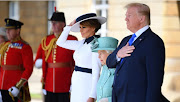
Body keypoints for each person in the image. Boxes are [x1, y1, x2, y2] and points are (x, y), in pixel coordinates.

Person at [106, 3, 169, 102]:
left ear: (141, 18)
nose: (126, 19)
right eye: (126, 16)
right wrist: (118, 54)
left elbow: (154, 81)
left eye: (129, 15)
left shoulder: (153, 41)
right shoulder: (125, 40)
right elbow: (109, 62)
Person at [56, 13, 106, 102]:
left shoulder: (96, 45)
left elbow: (96, 71)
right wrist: (68, 27)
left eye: (84, 27)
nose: (81, 31)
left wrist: (92, 95)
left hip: (87, 84)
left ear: (93, 28)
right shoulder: (80, 43)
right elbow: (60, 42)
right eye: (80, 27)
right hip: (76, 81)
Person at [34, 11, 77, 102]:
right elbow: (38, 59)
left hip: (65, 82)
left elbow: (76, 61)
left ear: (63, 24)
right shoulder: (46, 40)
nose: (52, 25)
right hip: (49, 82)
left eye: (55, 23)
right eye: (52, 23)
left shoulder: (71, 39)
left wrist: (74, 81)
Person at [0, 18, 33, 102]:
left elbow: (28, 69)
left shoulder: (25, 47)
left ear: (18, 30)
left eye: (10, 29)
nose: (7, 32)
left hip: (15, 87)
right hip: (2, 85)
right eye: (7, 29)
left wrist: (18, 86)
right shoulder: (4, 45)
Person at [91, 37, 119, 102]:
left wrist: (109, 100)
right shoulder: (104, 68)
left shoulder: (119, 69)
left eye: (101, 53)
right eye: (98, 53)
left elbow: (124, 94)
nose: (98, 56)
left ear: (111, 54)